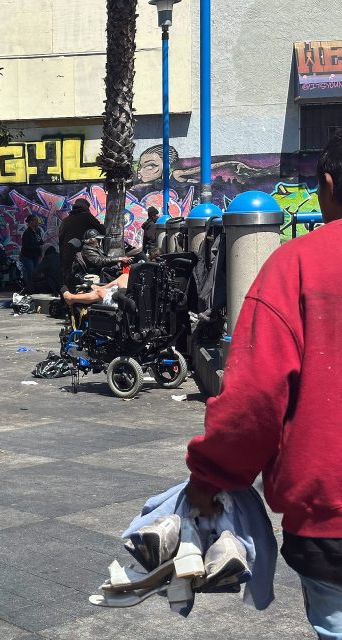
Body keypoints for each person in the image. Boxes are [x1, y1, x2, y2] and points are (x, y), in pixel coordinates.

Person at [184, 131, 342, 639]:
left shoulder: (296, 266)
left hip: (331, 524)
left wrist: (211, 477)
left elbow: (254, 402)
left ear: (327, 185)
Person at [58, 199, 106, 288]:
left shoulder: (65, 221)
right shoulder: (87, 216)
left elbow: (60, 239)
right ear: (86, 207)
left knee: (68, 281)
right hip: (81, 256)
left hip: (66, 255)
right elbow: (102, 230)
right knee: (83, 281)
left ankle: (67, 296)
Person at [62, 271, 129, 307]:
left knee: (99, 292)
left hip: (124, 304)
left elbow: (97, 261)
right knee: (124, 276)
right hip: (129, 295)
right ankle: (101, 288)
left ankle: (70, 298)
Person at [20, 214, 44, 288]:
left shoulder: (38, 231)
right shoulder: (27, 233)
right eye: (36, 221)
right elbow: (27, 246)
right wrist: (38, 247)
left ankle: (34, 287)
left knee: (35, 273)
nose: (37, 222)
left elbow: (41, 241)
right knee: (30, 273)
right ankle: (29, 288)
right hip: (27, 257)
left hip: (35, 256)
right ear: (31, 222)